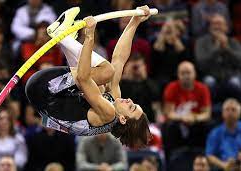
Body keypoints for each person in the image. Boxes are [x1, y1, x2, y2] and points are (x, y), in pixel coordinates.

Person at [25, 6, 152, 148]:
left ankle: (61, 35)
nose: (130, 101)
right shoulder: (113, 102)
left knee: (106, 72)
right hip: (51, 94)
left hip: (42, 90)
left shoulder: (109, 114)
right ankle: (65, 39)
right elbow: (119, 59)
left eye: (132, 107)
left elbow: (83, 77)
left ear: (122, 119)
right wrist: (134, 21)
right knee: (105, 80)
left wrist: (89, 36)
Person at [162, 61, 211, 158]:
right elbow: (168, 113)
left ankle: (203, 155)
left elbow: (206, 114)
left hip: (195, 121)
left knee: (207, 125)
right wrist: (182, 118)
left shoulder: (202, 88)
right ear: (178, 75)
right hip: (179, 122)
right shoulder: (171, 87)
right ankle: (171, 156)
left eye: (188, 73)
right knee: (169, 126)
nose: (186, 76)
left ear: (194, 74)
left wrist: (194, 118)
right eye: (182, 73)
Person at [195, 14, 241, 102]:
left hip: (231, 75)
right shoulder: (201, 42)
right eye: (214, 24)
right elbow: (201, 64)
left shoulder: (234, 42)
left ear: (226, 27)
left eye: (220, 24)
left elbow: (239, 62)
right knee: (209, 83)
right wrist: (216, 49)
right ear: (209, 28)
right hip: (210, 75)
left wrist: (226, 48)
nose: (217, 27)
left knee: (235, 83)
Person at [120, 54, 161, 123]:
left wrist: (144, 78)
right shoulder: (123, 83)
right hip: (127, 120)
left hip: (148, 119)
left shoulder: (149, 83)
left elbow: (156, 97)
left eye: (138, 66)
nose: (136, 70)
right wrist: (125, 76)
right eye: (134, 67)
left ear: (144, 66)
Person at [206, 98, 241, 171]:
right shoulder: (215, 133)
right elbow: (209, 155)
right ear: (222, 113)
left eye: (233, 110)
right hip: (224, 167)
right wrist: (223, 165)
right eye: (227, 109)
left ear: (239, 113)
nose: (230, 112)